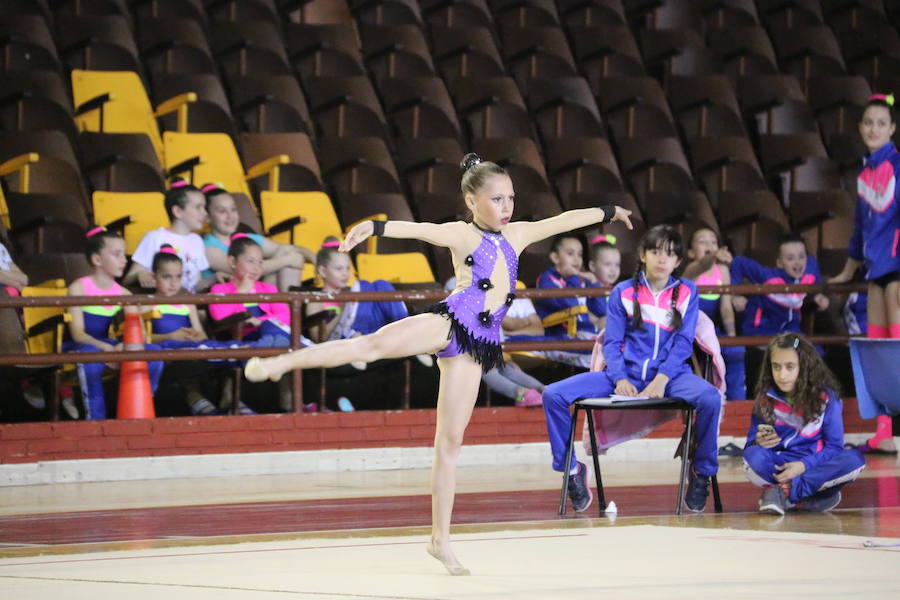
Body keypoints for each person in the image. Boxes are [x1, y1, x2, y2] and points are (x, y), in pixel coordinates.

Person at [244, 153, 633, 575]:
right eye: (497, 200)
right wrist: (374, 227)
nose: (507, 208)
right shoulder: (462, 235)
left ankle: (439, 541)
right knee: (371, 346)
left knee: (449, 444)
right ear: (471, 201)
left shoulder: (518, 234)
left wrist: (608, 211)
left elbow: (563, 221)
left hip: (477, 348)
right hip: (449, 324)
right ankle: (284, 362)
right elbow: (419, 230)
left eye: (510, 199)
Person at [542, 224, 722, 514]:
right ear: (642, 255)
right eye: (655, 252)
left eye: (670, 255)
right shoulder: (623, 292)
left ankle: (701, 472)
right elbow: (611, 344)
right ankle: (571, 471)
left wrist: (661, 380)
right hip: (622, 376)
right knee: (553, 394)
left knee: (710, 398)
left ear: (678, 261)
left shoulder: (687, 292)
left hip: (672, 377)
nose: (662, 260)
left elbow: (683, 344)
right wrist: (621, 378)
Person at [829, 93, 900, 455]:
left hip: (898, 268)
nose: (873, 129)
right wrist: (847, 272)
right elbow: (859, 229)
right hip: (876, 271)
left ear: (892, 129)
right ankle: (884, 432)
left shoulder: (898, 166)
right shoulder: (864, 174)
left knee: (897, 345)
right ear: (860, 128)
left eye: (881, 123)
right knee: (878, 351)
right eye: (868, 123)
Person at [743, 333, 866, 515]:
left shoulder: (827, 398)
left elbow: (834, 447)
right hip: (780, 465)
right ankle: (810, 497)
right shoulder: (764, 399)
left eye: (790, 367)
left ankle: (784, 493)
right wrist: (758, 442)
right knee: (752, 455)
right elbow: (750, 446)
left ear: (805, 366)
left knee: (855, 459)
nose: (782, 375)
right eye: (776, 367)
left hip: (813, 465)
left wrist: (803, 466)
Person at [64, 227, 164, 420]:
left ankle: (142, 404)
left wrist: (122, 347)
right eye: (117, 255)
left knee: (154, 355)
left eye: (124, 254)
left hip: (109, 345)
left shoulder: (124, 294)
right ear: (97, 260)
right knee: (90, 359)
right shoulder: (78, 288)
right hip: (80, 347)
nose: (124, 260)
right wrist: (106, 349)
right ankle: (95, 418)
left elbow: (139, 334)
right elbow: (78, 334)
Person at [149, 245, 249, 415]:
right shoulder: (147, 303)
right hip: (168, 350)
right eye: (166, 277)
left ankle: (229, 396)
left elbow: (201, 333)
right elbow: (144, 338)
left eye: (178, 277)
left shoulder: (187, 302)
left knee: (233, 348)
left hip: (192, 346)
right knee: (207, 353)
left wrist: (195, 335)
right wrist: (172, 335)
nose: (173, 283)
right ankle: (195, 398)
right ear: (154, 277)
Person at [308, 237, 432, 369]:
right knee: (362, 287)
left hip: (370, 330)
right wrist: (342, 309)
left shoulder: (351, 292)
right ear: (322, 271)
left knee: (381, 285)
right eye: (339, 269)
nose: (345, 274)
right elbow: (318, 339)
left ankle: (410, 336)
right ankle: (356, 345)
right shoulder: (316, 299)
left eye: (347, 269)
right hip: (339, 340)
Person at [201, 183, 315, 292]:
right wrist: (287, 260)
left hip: (257, 293)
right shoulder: (208, 248)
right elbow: (245, 269)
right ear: (207, 217)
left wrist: (315, 259)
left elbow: (287, 249)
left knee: (287, 252)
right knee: (289, 258)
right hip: (234, 301)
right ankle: (290, 306)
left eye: (233, 209)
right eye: (222, 211)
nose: (230, 216)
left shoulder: (247, 239)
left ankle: (289, 306)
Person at [682, 227, 745, 400]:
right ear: (691, 252)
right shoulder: (691, 269)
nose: (709, 245)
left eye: (713, 241)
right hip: (691, 331)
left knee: (736, 349)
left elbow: (725, 307)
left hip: (713, 330)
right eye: (702, 241)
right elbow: (703, 264)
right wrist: (714, 255)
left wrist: (732, 336)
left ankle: (737, 400)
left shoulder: (722, 271)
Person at [125, 179, 214, 292]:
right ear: (177, 211)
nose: (205, 213)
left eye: (204, 207)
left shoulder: (197, 241)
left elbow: (196, 286)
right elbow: (127, 279)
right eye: (198, 207)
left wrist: (215, 277)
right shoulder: (155, 237)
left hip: (188, 306)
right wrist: (140, 275)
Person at [534, 233, 606, 338]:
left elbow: (601, 311)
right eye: (570, 253)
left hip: (587, 332)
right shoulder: (546, 280)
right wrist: (574, 277)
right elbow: (571, 305)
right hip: (561, 336)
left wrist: (594, 282)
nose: (577, 259)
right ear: (555, 257)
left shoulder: (581, 280)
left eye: (580, 254)